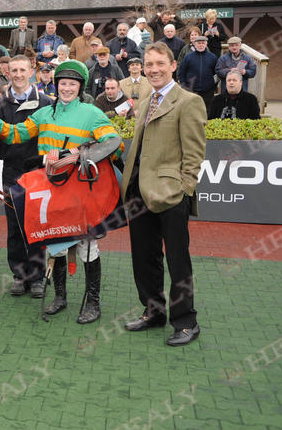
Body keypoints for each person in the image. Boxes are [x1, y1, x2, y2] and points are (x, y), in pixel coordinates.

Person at [0, 59, 123, 324]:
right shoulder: (44, 113)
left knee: (86, 247)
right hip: (52, 190)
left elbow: (114, 143)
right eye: (62, 83)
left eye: (72, 84)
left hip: (81, 191)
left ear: (80, 86)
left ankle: (93, 303)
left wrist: (77, 152)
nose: (67, 88)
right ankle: (60, 297)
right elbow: (15, 134)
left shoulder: (91, 113)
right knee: (57, 246)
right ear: (56, 85)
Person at [121, 42, 206, 346]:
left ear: (172, 66)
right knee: (145, 258)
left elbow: (195, 153)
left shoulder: (189, 101)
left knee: (178, 261)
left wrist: (184, 189)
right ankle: (153, 312)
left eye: (159, 63)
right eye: (149, 64)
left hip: (171, 194)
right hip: (139, 191)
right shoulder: (146, 99)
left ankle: (186, 322)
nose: (153, 69)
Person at [0, 55, 54, 298]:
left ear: (31, 71)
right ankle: (20, 276)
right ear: (8, 72)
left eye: (22, 69)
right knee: (15, 227)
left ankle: (37, 277)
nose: (17, 74)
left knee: (36, 226)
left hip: (39, 173)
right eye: (13, 70)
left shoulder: (46, 103)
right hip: (12, 172)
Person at [178, 35, 218, 112]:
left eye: (203, 43)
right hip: (192, 90)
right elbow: (181, 72)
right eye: (199, 43)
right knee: (191, 111)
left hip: (208, 92)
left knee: (207, 111)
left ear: (206, 44)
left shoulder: (212, 57)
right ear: (195, 44)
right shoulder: (188, 57)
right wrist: (184, 85)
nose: (201, 45)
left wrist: (213, 85)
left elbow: (216, 73)